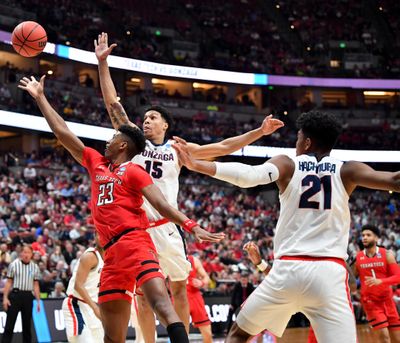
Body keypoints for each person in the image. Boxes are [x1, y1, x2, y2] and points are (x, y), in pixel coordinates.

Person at [94, 32, 284, 340]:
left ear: (165, 124)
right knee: (144, 296)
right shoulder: (133, 144)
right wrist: (103, 63)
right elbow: (113, 104)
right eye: (144, 118)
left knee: (179, 287)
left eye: (152, 118)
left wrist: (258, 132)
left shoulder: (178, 149)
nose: (145, 121)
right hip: (138, 228)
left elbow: (223, 146)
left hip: (167, 226)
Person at [18, 75, 224, 343]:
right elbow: (63, 133)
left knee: (162, 303)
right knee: (112, 335)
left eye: (114, 136)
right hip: (111, 255)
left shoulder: (135, 171)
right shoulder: (96, 162)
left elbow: (161, 204)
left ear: (123, 145)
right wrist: (41, 98)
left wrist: (191, 225)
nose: (108, 140)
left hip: (137, 243)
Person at [174, 110, 400, 343]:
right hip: (330, 275)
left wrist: (197, 165)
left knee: (239, 334)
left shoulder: (288, 163)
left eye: (298, 138)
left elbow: (249, 175)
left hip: (288, 271)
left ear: (307, 142)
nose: (296, 144)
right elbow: (394, 180)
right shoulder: (348, 170)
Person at [354, 224, 400, 343]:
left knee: (397, 339)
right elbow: (351, 279)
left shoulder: (387, 254)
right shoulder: (358, 257)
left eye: (368, 235)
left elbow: (398, 277)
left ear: (376, 238)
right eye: (363, 235)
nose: (364, 237)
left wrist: (381, 281)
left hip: (388, 301)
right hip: (371, 302)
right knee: (384, 337)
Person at [62, 245, 104, 342]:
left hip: (93, 306)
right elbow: (78, 285)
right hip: (77, 304)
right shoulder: (91, 256)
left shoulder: (110, 257)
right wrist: (95, 308)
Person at [2, 244, 41, 343]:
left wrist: (38, 301)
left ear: (32, 254)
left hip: (28, 296)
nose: (26, 254)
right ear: (21, 253)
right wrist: (5, 298)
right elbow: (9, 282)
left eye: (28, 252)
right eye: (24, 252)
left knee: (27, 325)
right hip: (15, 295)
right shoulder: (14, 264)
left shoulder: (35, 267)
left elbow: (36, 285)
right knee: (9, 325)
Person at [187, 254, 212, 343]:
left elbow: (207, 278)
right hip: (179, 297)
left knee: (207, 333)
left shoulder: (193, 260)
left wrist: (201, 282)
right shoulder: (169, 258)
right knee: (181, 334)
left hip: (195, 297)